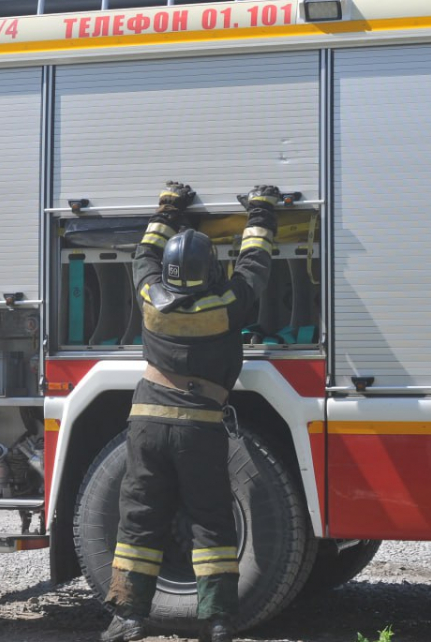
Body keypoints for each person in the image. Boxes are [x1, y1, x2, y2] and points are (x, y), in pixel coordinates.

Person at [101, 182, 279, 642]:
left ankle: (129, 616)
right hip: (199, 427)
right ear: (211, 272)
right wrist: (260, 213)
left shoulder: (149, 300)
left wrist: (168, 207)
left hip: (145, 423)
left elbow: (143, 254)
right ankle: (219, 619)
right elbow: (254, 266)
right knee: (210, 519)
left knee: (139, 516)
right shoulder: (226, 306)